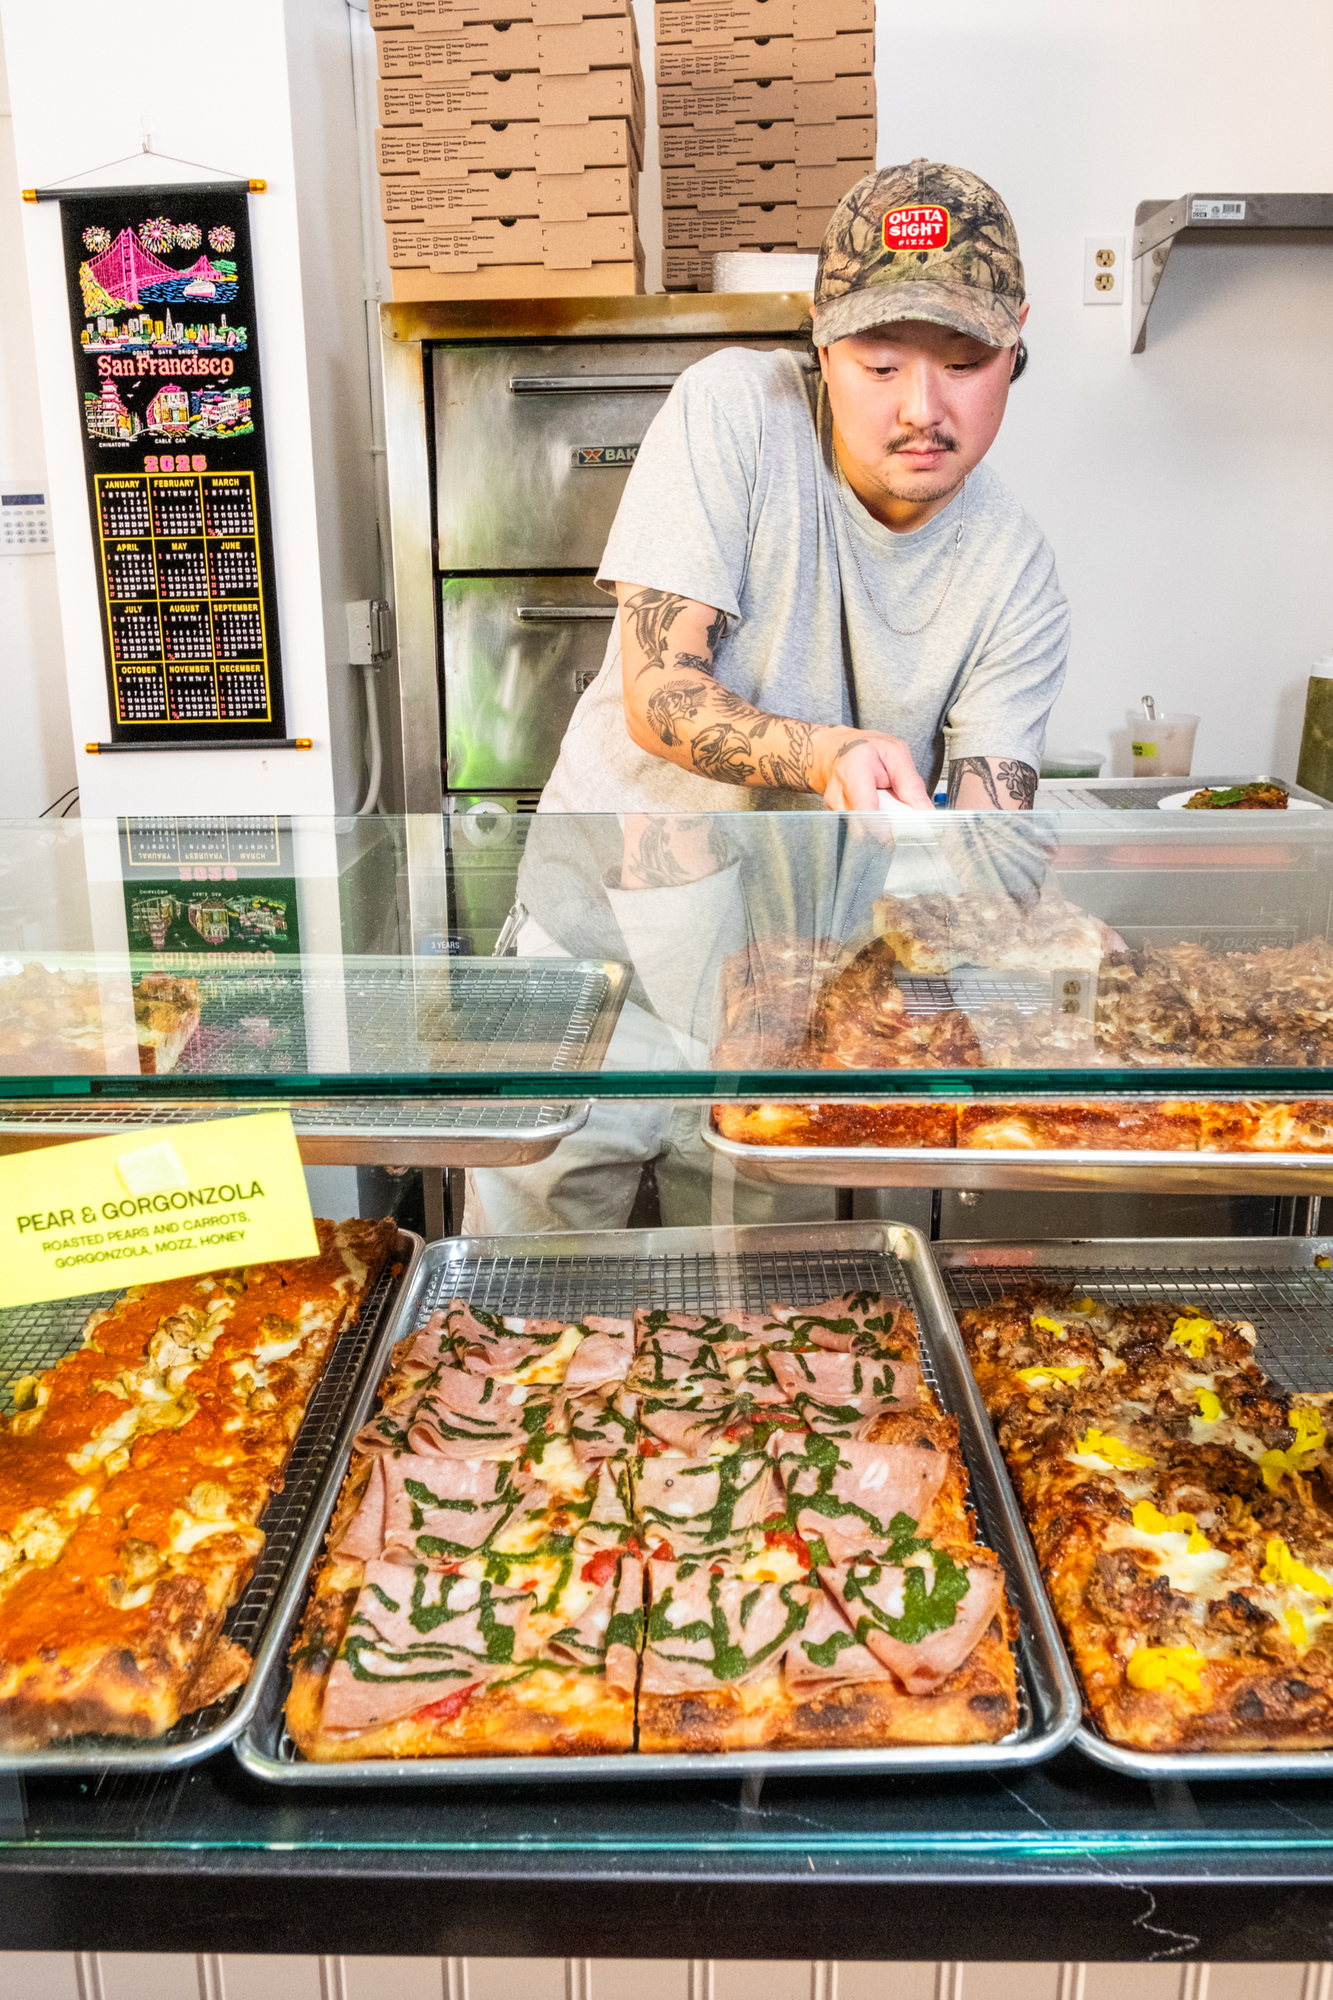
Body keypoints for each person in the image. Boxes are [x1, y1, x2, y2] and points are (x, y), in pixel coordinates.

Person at [464, 157, 1070, 1237]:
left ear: (1017, 341)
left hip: (796, 999)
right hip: (597, 960)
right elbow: (661, 693)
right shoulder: (733, 410)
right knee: (531, 1297)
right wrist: (830, 754)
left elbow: (984, 840)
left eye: (966, 361)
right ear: (819, 339)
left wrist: (1037, 928)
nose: (920, 408)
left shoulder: (1015, 571)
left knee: (754, 1327)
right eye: (879, 362)